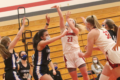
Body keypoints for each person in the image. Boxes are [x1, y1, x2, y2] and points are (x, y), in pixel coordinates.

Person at [51, 5, 89, 80]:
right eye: (69, 20)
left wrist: (68, 19)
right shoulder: (63, 30)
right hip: (67, 55)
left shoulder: (76, 31)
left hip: (77, 53)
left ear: (74, 23)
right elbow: (61, 18)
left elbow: (73, 28)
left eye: (72, 20)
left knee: (85, 74)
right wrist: (58, 8)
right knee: (74, 78)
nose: (69, 21)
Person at [79, 15, 120, 80]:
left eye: (85, 24)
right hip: (114, 51)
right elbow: (102, 47)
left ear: (88, 24)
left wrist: (82, 55)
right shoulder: (102, 29)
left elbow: (88, 54)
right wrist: (92, 48)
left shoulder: (92, 33)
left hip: (112, 54)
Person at [33, 14, 68, 80]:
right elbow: (49, 40)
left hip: (45, 68)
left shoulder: (44, 42)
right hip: (39, 69)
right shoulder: (40, 43)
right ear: (41, 37)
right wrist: (61, 35)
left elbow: (42, 32)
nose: (48, 36)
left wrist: (47, 23)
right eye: (46, 35)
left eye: (48, 34)